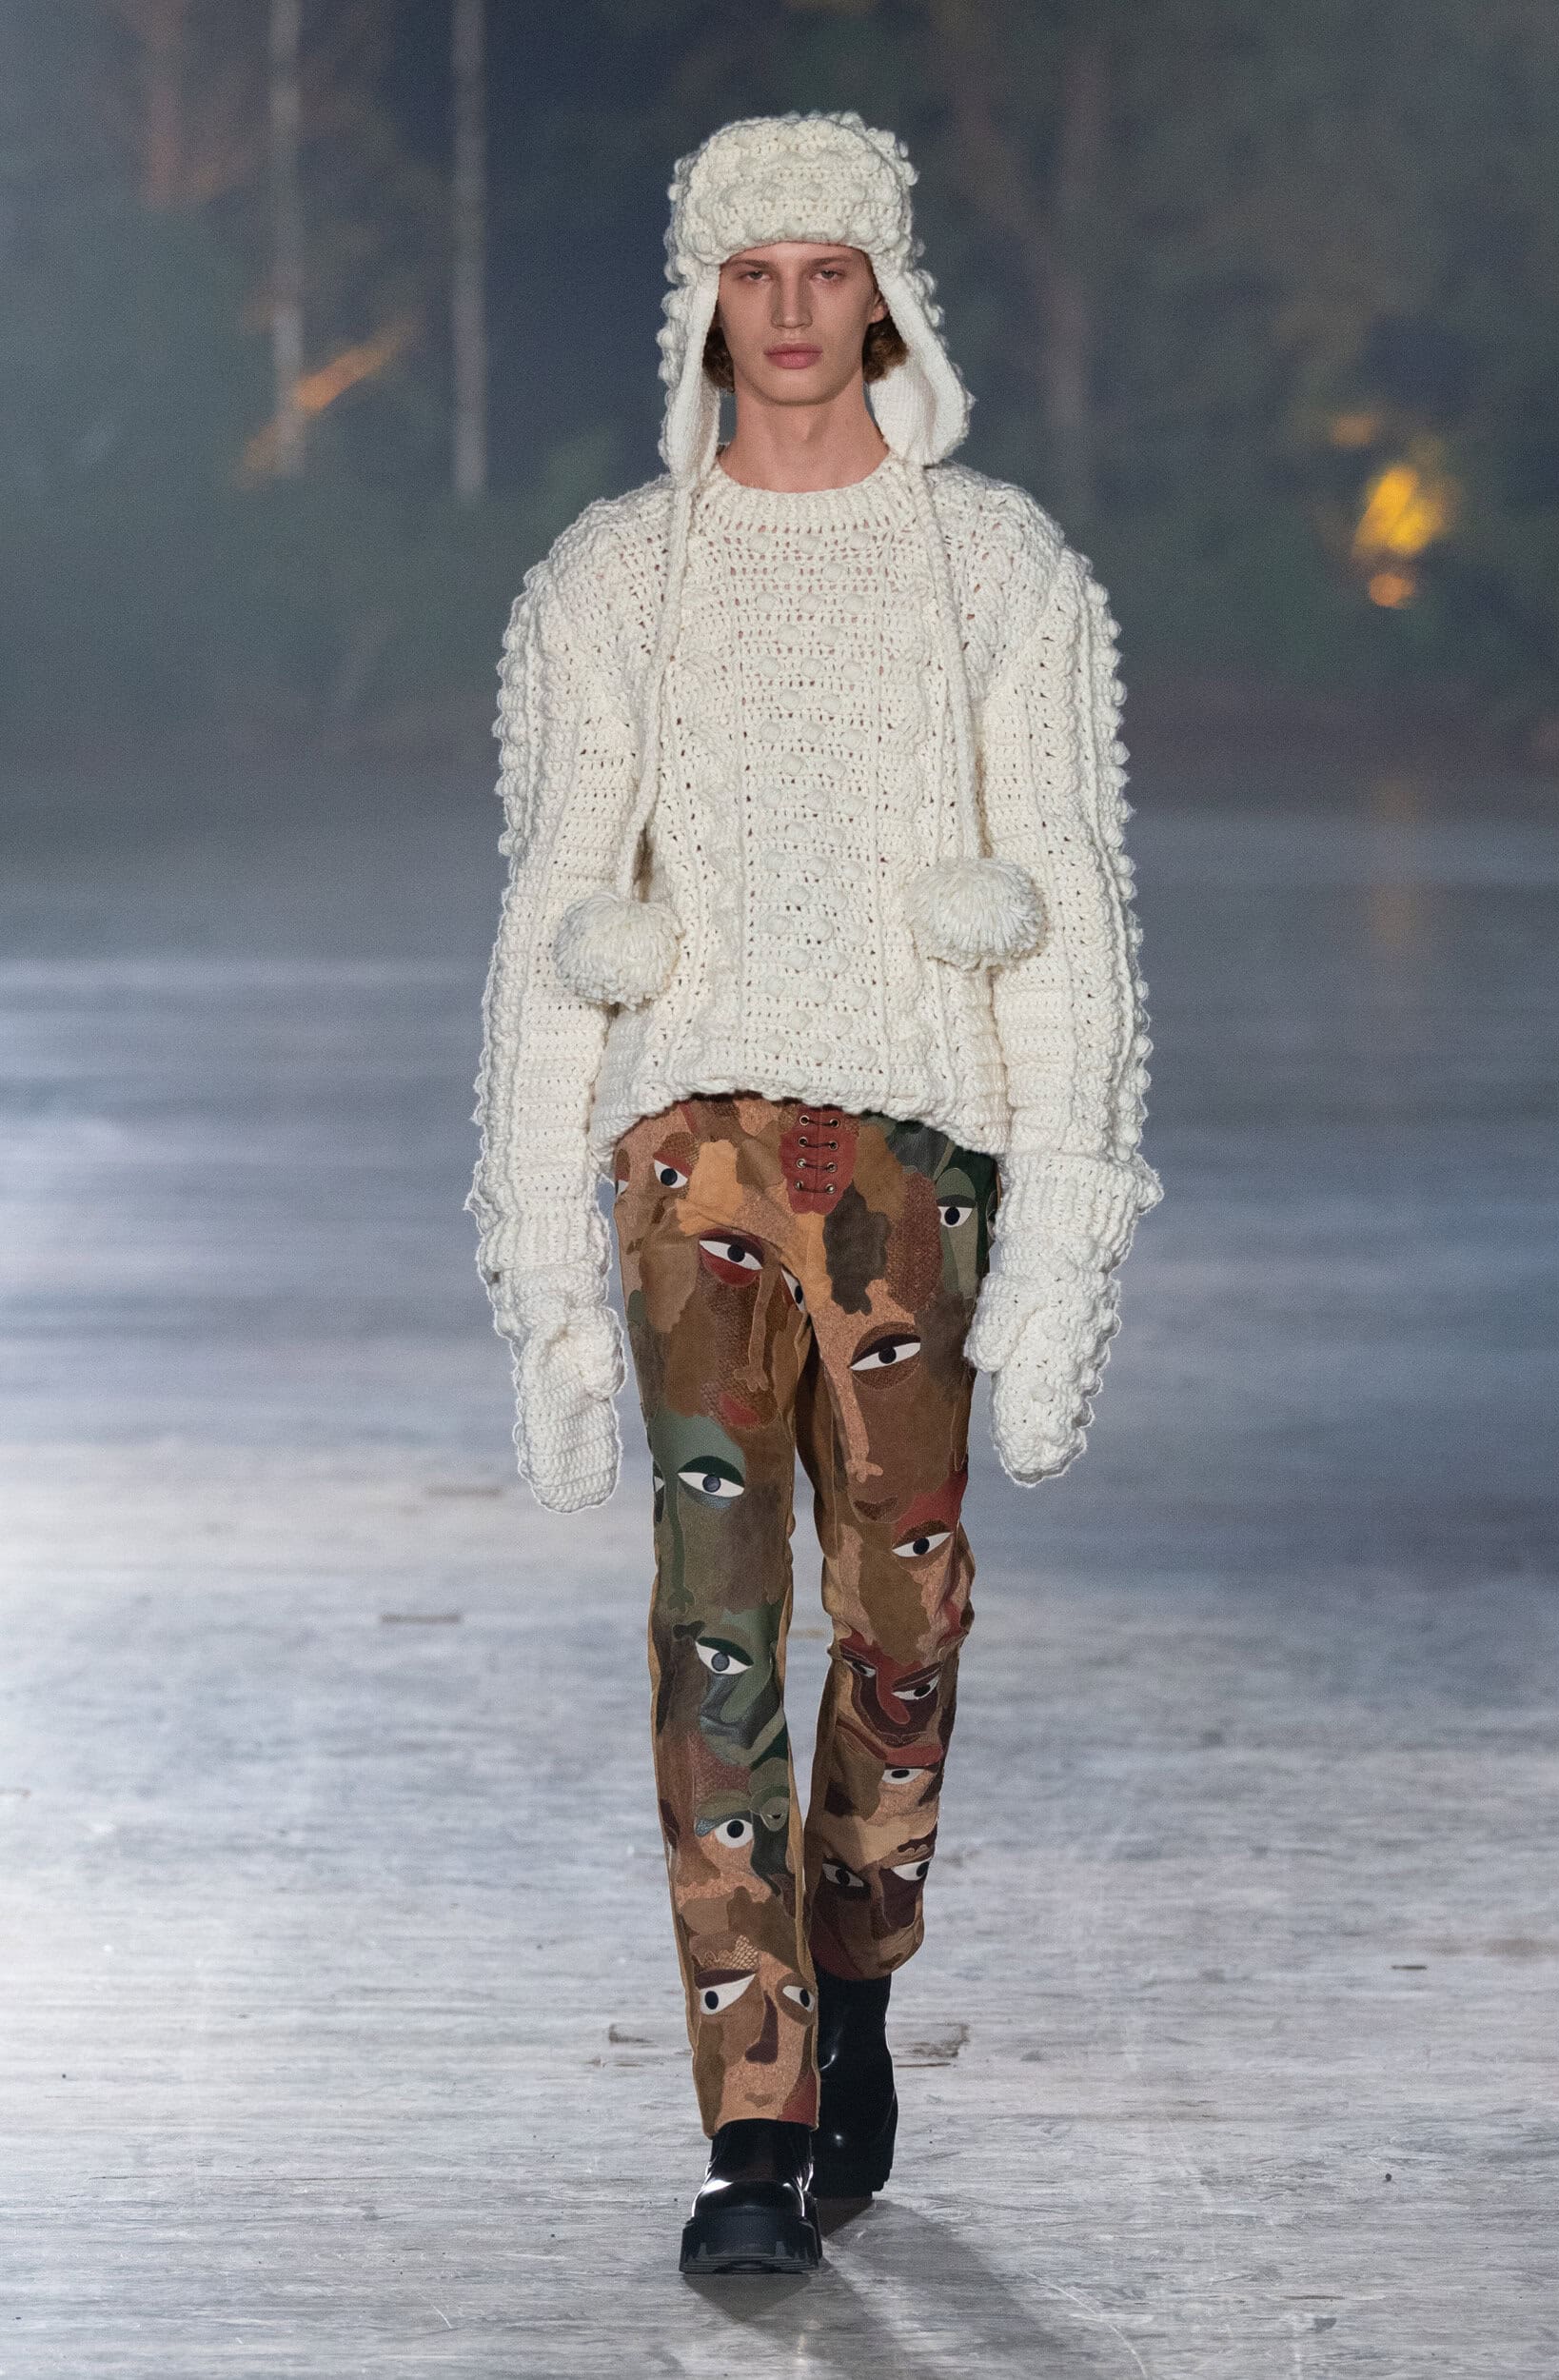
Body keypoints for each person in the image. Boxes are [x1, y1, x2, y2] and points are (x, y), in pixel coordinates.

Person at [467, 109, 1160, 2277]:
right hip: (688, 1152)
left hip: (907, 1157)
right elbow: (553, 914)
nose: (787, 310)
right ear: (705, 304)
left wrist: (1065, 1237)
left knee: (903, 1615)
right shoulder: (611, 579)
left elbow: (1071, 911)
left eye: (824, 269)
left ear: (884, 297)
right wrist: (544, 1271)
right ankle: (754, 2118)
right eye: (750, 272)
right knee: (714, 1627)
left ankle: (853, 1964)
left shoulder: (1002, 571)